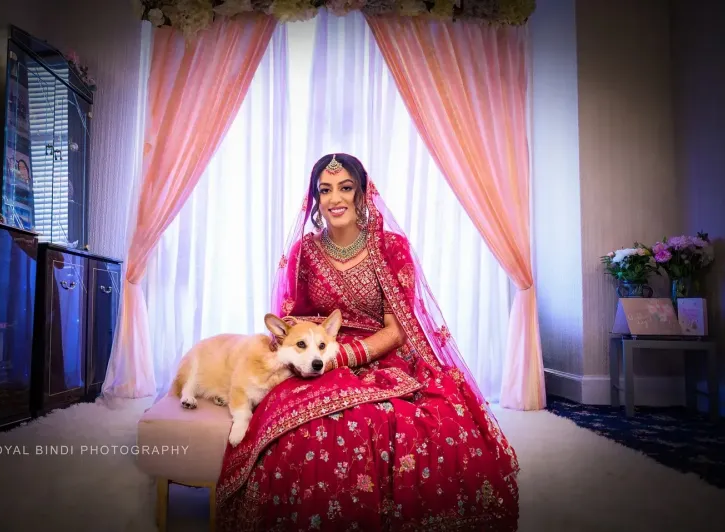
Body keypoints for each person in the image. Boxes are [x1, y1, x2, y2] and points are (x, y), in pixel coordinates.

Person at [216, 154, 520, 531]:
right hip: (320, 356)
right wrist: (320, 351)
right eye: (324, 190)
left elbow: (397, 329)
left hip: (383, 357)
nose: (335, 198)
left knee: (402, 421)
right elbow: (294, 320)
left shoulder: (391, 248)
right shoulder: (303, 254)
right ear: (315, 199)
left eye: (345, 187)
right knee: (303, 428)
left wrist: (347, 354)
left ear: (362, 193)